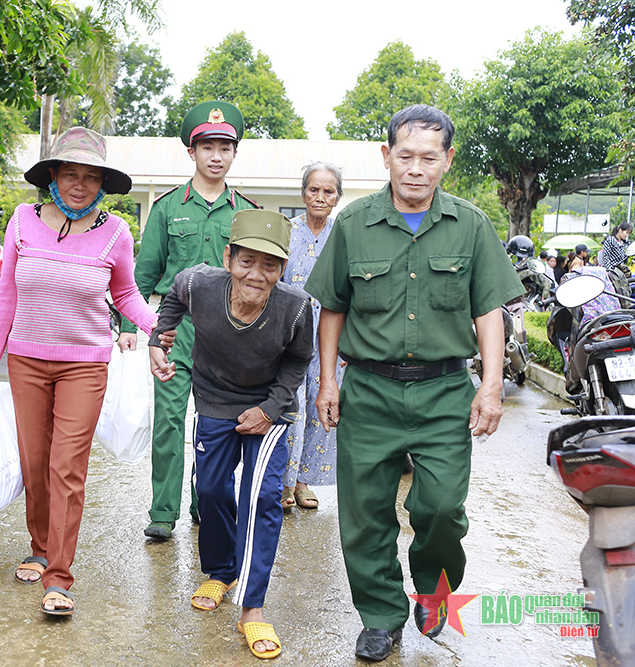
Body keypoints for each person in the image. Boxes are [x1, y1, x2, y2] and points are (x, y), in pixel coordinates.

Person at [305, 105, 524, 662]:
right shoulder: (352, 224)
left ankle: (434, 592)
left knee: (441, 509)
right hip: (369, 390)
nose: (416, 169)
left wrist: (491, 385)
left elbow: (489, 311)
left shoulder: (470, 224)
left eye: (430, 158)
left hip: (444, 392)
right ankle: (381, 616)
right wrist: (328, 382)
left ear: (448, 161)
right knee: (365, 515)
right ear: (387, 157)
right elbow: (332, 309)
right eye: (405, 156)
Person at [0, 127, 174, 617]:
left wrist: (156, 327)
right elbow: (8, 294)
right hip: (25, 360)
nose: (79, 185)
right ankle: (39, 547)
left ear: (102, 183)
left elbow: (125, 294)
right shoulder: (21, 221)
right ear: (53, 178)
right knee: (34, 459)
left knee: (67, 466)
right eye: (69, 174)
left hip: (85, 364)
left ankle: (59, 574)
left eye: (90, 176)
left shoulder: (116, 232)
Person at [148, 209, 312, 660]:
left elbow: (299, 362)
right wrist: (159, 335)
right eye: (246, 262)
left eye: (270, 266)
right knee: (212, 490)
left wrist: (270, 408)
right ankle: (221, 571)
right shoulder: (200, 284)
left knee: (261, 496)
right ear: (228, 257)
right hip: (214, 400)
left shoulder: (295, 307)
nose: (257, 275)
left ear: (282, 269)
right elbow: (173, 296)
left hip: (270, 410)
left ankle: (253, 607)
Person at [118, 100, 259, 542]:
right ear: (192, 152)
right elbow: (141, 275)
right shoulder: (165, 208)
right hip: (176, 327)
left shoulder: (246, 212)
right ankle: (163, 511)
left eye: (225, 147)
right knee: (170, 419)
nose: (216, 156)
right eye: (207, 146)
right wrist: (129, 328)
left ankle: (207, 501)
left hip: (229, 332)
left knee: (217, 422)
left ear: (234, 154)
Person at [280, 162, 346, 511]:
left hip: (331, 338)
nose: (320, 197)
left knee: (322, 409)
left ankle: (303, 483)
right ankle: (282, 482)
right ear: (303, 192)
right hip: (291, 335)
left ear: (337, 197)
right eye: (314, 190)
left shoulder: (345, 235)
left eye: (328, 191)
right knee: (290, 407)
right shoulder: (286, 232)